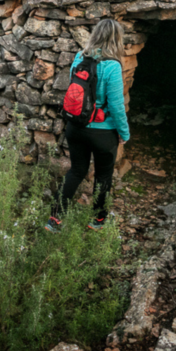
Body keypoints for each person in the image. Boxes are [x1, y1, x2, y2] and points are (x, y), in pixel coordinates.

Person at [46, 18, 130, 233]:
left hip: (76, 127)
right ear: (116, 39)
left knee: (76, 170)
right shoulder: (112, 66)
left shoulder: (79, 58)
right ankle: (98, 220)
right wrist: (124, 133)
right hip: (103, 132)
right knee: (103, 176)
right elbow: (117, 106)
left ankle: (55, 219)